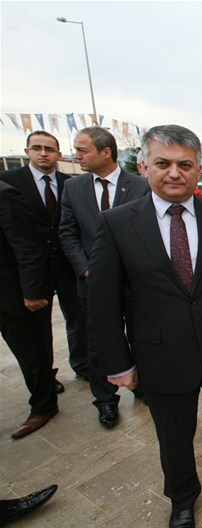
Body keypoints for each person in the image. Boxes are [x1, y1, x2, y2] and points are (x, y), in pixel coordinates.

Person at [88, 125, 202, 528]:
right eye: (163, 163)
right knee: (173, 434)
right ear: (143, 167)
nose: (174, 173)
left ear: (198, 169)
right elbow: (102, 303)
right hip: (161, 354)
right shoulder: (117, 223)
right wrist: (118, 363)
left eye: (185, 165)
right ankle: (182, 496)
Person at [60, 126, 150, 429]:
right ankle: (106, 401)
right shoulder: (73, 188)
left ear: (106, 152)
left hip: (137, 284)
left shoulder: (140, 185)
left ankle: (143, 387)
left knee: (142, 337)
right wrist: (86, 268)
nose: (76, 155)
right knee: (99, 343)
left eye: (82, 149)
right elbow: (68, 233)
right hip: (93, 284)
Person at [0, 131, 88, 386]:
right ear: (27, 151)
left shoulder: (70, 183)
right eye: (37, 148)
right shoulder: (9, 182)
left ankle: (82, 364)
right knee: (38, 325)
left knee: (78, 318)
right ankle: (47, 375)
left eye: (49, 149)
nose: (43, 153)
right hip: (31, 268)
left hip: (67, 264)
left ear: (58, 154)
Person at [0, 181, 59, 440]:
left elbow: (26, 246)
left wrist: (32, 291)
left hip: (10, 295)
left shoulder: (5, 195)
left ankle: (44, 405)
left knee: (31, 353)